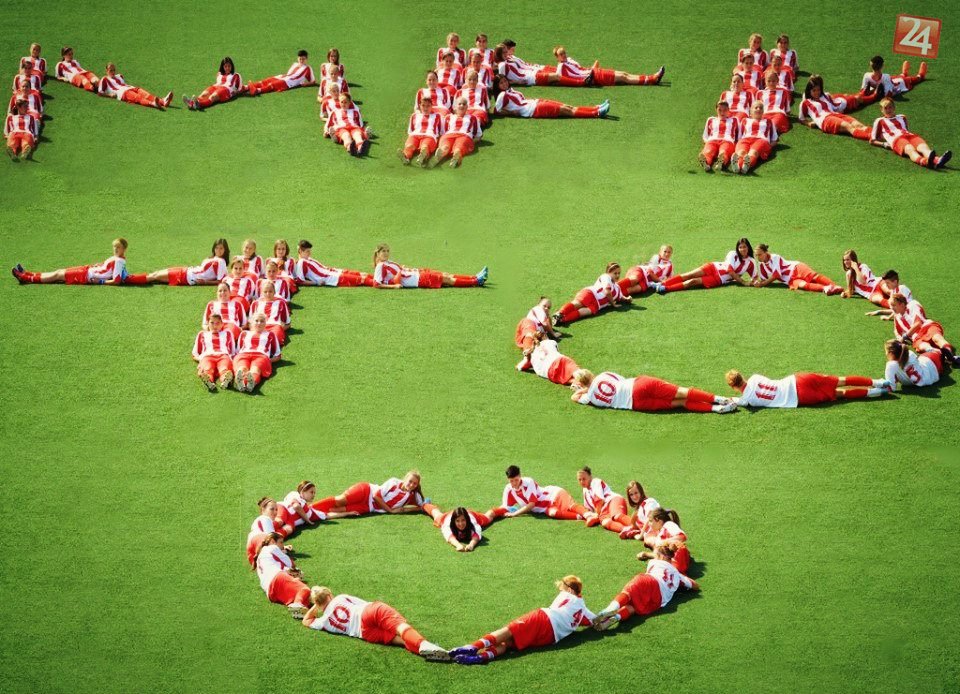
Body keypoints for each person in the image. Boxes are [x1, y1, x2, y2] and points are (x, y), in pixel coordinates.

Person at [449, 576, 595, 664]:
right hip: (550, 638)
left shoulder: (567, 595)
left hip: (544, 618)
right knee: (508, 643)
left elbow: (557, 607)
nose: (560, 589)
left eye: (562, 587)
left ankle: (472, 647)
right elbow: (594, 621)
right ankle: (480, 657)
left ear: (569, 589)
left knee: (508, 630)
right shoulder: (583, 609)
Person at [302, 586, 449, 660]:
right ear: (329, 594)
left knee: (402, 641)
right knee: (400, 627)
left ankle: (429, 652)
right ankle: (425, 645)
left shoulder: (324, 622)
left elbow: (306, 620)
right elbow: (365, 604)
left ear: (318, 604)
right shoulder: (340, 597)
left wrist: (316, 607)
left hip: (365, 633)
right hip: (368, 612)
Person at [592, 544, 698, 631]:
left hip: (650, 581)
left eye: (656, 555)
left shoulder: (655, 562)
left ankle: (609, 609)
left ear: (661, 556)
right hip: (658, 601)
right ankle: (616, 617)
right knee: (633, 607)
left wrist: (647, 554)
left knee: (628, 592)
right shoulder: (678, 575)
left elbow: (656, 557)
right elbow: (694, 585)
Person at [571, 369, 737, 414]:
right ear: (589, 374)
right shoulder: (604, 375)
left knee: (680, 402)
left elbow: (574, 397)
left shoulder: (591, 397)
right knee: (682, 392)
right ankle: (719, 398)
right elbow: (621, 379)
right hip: (638, 385)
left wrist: (583, 389)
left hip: (636, 404)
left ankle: (717, 408)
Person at [726, 369, 889, 407]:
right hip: (797, 379)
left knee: (841, 394)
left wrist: (732, 399)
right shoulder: (755, 377)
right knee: (841, 380)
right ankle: (878, 382)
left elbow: (737, 401)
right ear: (742, 376)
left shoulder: (747, 400)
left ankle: (877, 392)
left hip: (799, 397)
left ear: (733, 386)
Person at [870, 97, 951, 169]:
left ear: (894, 107)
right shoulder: (879, 121)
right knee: (910, 149)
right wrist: (884, 144)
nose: (888, 110)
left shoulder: (902, 117)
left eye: (890, 107)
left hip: (909, 135)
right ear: (882, 110)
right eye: (885, 108)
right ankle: (925, 162)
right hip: (896, 139)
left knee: (923, 147)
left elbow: (906, 129)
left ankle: (938, 160)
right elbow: (872, 140)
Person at [488, 465, 587, 521]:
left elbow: (531, 504)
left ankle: (588, 514)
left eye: (516, 480)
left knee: (570, 506)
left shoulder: (528, 482)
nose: (514, 483)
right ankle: (581, 517)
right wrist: (492, 513)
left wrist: (514, 514)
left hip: (554, 494)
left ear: (520, 476)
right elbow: (505, 507)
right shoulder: (508, 489)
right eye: (511, 481)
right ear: (507, 479)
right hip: (546, 508)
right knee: (553, 513)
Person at [13, 238, 128, 285]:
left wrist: (101, 282)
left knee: (57, 275)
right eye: (114, 247)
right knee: (59, 272)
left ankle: (26, 278)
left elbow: (116, 281)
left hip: (86, 275)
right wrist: (101, 265)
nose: (115, 249)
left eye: (118, 247)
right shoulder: (119, 259)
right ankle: (28, 274)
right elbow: (112, 271)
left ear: (124, 249)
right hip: (87, 270)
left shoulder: (119, 261)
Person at [658, 239, 756, 292]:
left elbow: (755, 277)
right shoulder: (733, 253)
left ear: (748, 247)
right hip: (713, 267)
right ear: (737, 248)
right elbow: (730, 270)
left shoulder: (751, 262)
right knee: (689, 274)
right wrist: (743, 282)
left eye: (744, 247)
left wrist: (755, 282)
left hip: (718, 279)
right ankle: (663, 283)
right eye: (740, 247)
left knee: (692, 281)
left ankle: (666, 288)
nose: (742, 249)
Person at [371, 243, 487, 288]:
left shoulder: (387, 262)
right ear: (378, 253)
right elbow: (376, 284)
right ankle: (476, 281)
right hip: (417, 280)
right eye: (383, 251)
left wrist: (403, 268)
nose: (386, 253)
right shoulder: (380, 266)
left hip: (417, 273)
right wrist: (394, 286)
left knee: (445, 274)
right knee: (447, 279)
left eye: (387, 251)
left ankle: (474, 277)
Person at [886, 294, 958, 365]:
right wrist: (898, 338)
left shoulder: (912, 306)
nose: (891, 308)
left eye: (893, 305)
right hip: (917, 337)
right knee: (923, 346)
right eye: (891, 305)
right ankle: (939, 353)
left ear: (902, 304)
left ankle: (950, 356)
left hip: (927, 326)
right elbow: (896, 329)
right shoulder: (897, 316)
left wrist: (904, 337)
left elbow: (918, 324)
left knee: (937, 338)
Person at [492, 75, 608, 119]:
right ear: (497, 86)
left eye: (505, 81)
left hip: (536, 103)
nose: (505, 83)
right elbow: (496, 111)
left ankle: (596, 108)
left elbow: (520, 101)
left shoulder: (510, 90)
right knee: (566, 111)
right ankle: (596, 113)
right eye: (501, 83)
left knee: (567, 107)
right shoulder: (502, 95)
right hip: (534, 109)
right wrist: (512, 113)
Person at [310, 472, 425, 516]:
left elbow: (423, 506)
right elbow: (376, 496)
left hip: (368, 507)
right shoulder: (394, 482)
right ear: (405, 479)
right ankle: (309, 508)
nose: (411, 485)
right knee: (339, 501)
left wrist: (421, 508)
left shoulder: (413, 495)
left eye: (415, 483)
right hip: (367, 491)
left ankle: (311, 513)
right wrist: (390, 511)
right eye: (410, 481)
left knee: (335, 510)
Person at [551, 263, 630, 326]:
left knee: (581, 313)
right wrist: (613, 304)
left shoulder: (617, 287)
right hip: (590, 293)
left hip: (596, 305)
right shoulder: (605, 277)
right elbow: (607, 291)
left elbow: (620, 297)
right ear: (608, 272)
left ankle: (561, 320)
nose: (617, 275)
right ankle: (560, 313)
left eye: (619, 273)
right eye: (615, 273)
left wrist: (627, 299)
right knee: (577, 304)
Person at [126, 239, 230, 286]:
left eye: (221, 248)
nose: (218, 250)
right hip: (186, 271)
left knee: (154, 276)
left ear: (225, 250)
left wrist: (205, 282)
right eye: (217, 248)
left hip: (186, 277)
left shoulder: (221, 262)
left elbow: (220, 281)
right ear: (214, 248)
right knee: (155, 275)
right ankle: (129, 278)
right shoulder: (213, 258)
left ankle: (128, 279)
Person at [253, 533, 311, 617]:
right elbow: (291, 564)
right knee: (305, 589)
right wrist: (297, 573)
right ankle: (297, 607)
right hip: (277, 578)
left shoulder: (261, 557)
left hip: (270, 593)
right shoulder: (272, 548)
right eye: (281, 542)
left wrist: (294, 575)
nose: (282, 546)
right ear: (272, 541)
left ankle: (298, 609)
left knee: (306, 600)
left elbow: (281, 568)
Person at [798, 76, 871, 140]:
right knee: (848, 126)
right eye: (814, 90)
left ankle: (875, 133)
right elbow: (801, 119)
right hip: (825, 120)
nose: (817, 92)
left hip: (835, 114)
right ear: (809, 91)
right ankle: (870, 137)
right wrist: (808, 123)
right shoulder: (805, 103)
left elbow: (834, 105)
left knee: (859, 125)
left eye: (818, 90)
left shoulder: (824, 96)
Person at [752, 244, 843, 294]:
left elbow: (776, 275)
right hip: (791, 280)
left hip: (797, 268)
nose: (758, 257)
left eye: (760, 254)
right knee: (803, 285)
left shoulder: (775, 257)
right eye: (756, 255)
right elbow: (764, 280)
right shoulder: (761, 265)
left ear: (766, 252)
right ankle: (826, 288)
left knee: (814, 277)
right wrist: (758, 283)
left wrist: (762, 284)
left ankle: (834, 286)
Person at [553, 45, 664, 86]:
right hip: (594, 76)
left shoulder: (570, 60)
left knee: (624, 74)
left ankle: (651, 78)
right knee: (623, 77)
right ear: (557, 57)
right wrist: (584, 82)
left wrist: (592, 68)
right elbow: (560, 79)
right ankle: (652, 79)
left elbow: (581, 70)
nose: (564, 55)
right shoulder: (560, 67)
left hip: (594, 72)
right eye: (561, 54)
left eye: (564, 53)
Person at [495, 40, 589, 87]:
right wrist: (517, 82)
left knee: (558, 71)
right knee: (557, 76)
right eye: (504, 52)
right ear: (500, 54)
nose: (507, 53)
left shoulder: (510, 58)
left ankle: (584, 73)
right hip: (530, 78)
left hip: (532, 72)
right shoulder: (502, 65)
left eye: (506, 51)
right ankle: (582, 82)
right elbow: (503, 81)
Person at [577, 467, 635, 536]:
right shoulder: (585, 491)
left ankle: (640, 527)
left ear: (590, 477)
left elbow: (599, 502)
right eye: (579, 479)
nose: (582, 482)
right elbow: (589, 509)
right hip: (604, 511)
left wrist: (596, 517)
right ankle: (626, 530)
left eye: (584, 479)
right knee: (605, 522)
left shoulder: (595, 482)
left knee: (616, 516)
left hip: (613, 500)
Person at [232, 313, 281, 393]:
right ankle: (241, 382)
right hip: (243, 354)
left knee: (255, 370)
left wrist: (268, 361)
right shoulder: (244, 333)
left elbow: (277, 355)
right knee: (242, 369)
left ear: (265, 323)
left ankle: (250, 383)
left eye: (262, 321)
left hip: (260, 356)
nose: (259, 323)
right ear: (251, 322)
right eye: (256, 321)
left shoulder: (270, 335)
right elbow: (238, 350)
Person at [294, 239, 373, 287]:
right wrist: (316, 283)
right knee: (362, 280)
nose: (310, 253)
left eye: (310, 251)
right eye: (307, 251)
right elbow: (300, 281)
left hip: (336, 271)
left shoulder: (308, 259)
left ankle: (380, 278)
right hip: (334, 278)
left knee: (363, 274)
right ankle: (379, 283)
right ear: (300, 251)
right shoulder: (301, 262)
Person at [97, 62, 172, 109]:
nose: (113, 72)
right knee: (138, 98)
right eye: (111, 70)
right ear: (106, 71)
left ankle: (163, 101)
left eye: (114, 70)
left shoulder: (119, 76)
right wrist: (110, 95)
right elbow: (100, 93)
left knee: (147, 95)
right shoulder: (105, 79)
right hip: (123, 93)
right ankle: (153, 104)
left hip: (131, 88)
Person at [432, 97, 482, 168]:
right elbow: (443, 132)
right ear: (455, 107)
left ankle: (455, 158)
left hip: (464, 136)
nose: (462, 105)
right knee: (445, 147)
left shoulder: (473, 118)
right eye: (459, 104)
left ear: (467, 107)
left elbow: (478, 135)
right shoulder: (448, 117)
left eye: (464, 104)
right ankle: (438, 157)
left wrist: (472, 141)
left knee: (458, 148)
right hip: (449, 135)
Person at [191, 313, 237, 391]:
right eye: (212, 323)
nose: (215, 326)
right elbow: (195, 354)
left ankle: (226, 380)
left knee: (224, 368)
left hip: (223, 355)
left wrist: (231, 359)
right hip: (207, 356)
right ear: (208, 323)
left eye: (217, 323)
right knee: (207, 369)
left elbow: (232, 351)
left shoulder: (227, 333)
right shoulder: (202, 334)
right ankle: (208, 381)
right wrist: (201, 360)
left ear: (222, 324)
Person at [730, 101, 778, 174]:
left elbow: (775, 139)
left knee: (753, 153)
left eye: (761, 108)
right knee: (741, 153)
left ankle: (745, 166)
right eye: (756, 107)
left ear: (763, 111)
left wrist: (769, 146)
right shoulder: (744, 120)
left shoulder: (769, 121)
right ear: (751, 111)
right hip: (745, 140)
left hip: (761, 140)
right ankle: (738, 167)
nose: (758, 109)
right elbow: (740, 136)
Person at [421, 503, 491, 552]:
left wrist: (471, 545)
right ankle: (424, 504)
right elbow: (450, 537)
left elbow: (476, 535)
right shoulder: (447, 524)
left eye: (463, 520)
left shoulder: (472, 522)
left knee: (488, 518)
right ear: (454, 522)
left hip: (471, 514)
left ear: (467, 520)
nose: (461, 524)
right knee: (436, 514)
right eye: (457, 521)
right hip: (447, 516)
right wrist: (458, 545)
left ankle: (500, 508)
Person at [515, 296, 561, 370]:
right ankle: (527, 359)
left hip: (532, 330)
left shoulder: (543, 318)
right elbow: (545, 324)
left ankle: (533, 359)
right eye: (544, 306)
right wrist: (553, 334)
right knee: (530, 334)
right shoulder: (538, 309)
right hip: (528, 323)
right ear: (538, 305)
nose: (546, 308)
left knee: (536, 339)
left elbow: (546, 325)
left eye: (549, 308)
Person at [639, 507, 691, 572]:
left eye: (651, 521)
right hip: (673, 563)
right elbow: (660, 554)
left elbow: (682, 537)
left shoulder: (668, 524)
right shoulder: (660, 533)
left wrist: (664, 542)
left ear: (659, 521)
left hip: (678, 559)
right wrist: (645, 554)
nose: (649, 524)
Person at [247, 49, 316, 96]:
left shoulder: (308, 68)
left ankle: (257, 91)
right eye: (300, 59)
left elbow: (313, 81)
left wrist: (306, 84)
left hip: (289, 82)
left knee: (272, 84)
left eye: (303, 59)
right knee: (268, 80)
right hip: (284, 77)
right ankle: (247, 87)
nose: (301, 60)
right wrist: (283, 75)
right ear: (297, 58)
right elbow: (290, 73)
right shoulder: (294, 64)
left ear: (306, 59)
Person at [399, 95, 442, 167]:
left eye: (428, 106)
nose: (425, 108)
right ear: (420, 106)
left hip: (429, 136)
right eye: (423, 105)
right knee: (409, 146)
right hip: (415, 135)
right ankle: (406, 158)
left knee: (425, 147)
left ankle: (422, 158)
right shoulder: (414, 116)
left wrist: (437, 140)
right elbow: (410, 130)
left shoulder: (437, 116)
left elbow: (441, 130)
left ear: (432, 106)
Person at [698, 100, 739, 172]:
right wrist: (707, 143)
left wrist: (736, 145)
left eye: (725, 110)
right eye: (719, 110)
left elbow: (739, 135)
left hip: (727, 140)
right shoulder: (711, 119)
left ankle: (720, 163)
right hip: (712, 140)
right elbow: (705, 135)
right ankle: (706, 163)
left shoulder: (734, 120)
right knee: (708, 151)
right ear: (716, 110)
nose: (722, 112)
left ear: (728, 110)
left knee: (723, 152)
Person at [326, 92, 370, 157]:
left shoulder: (355, 112)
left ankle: (360, 148)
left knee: (357, 135)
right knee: (346, 136)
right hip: (342, 128)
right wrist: (326, 131)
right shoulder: (335, 112)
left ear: (349, 103)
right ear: (339, 102)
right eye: (342, 102)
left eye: (345, 102)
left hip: (354, 127)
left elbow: (360, 124)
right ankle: (350, 148)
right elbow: (328, 124)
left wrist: (363, 131)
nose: (343, 104)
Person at [246, 497, 287, 564]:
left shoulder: (260, 520)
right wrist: (280, 550)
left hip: (253, 554)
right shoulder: (265, 518)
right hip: (258, 550)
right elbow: (270, 538)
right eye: (272, 509)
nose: (275, 512)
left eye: (276, 510)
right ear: (263, 510)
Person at [861, 55, 926, 97]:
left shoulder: (866, 75)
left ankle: (905, 73)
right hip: (897, 85)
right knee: (908, 80)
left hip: (891, 81)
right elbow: (889, 94)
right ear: (882, 66)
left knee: (897, 77)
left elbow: (863, 90)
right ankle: (920, 75)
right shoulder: (886, 77)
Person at [757, 69, 791, 133]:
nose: (771, 83)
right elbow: (757, 107)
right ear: (765, 81)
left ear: (777, 81)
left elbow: (787, 110)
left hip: (778, 113)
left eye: (773, 81)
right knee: (763, 127)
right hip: (764, 114)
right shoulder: (760, 93)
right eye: (769, 81)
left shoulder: (783, 92)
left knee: (772, 126)